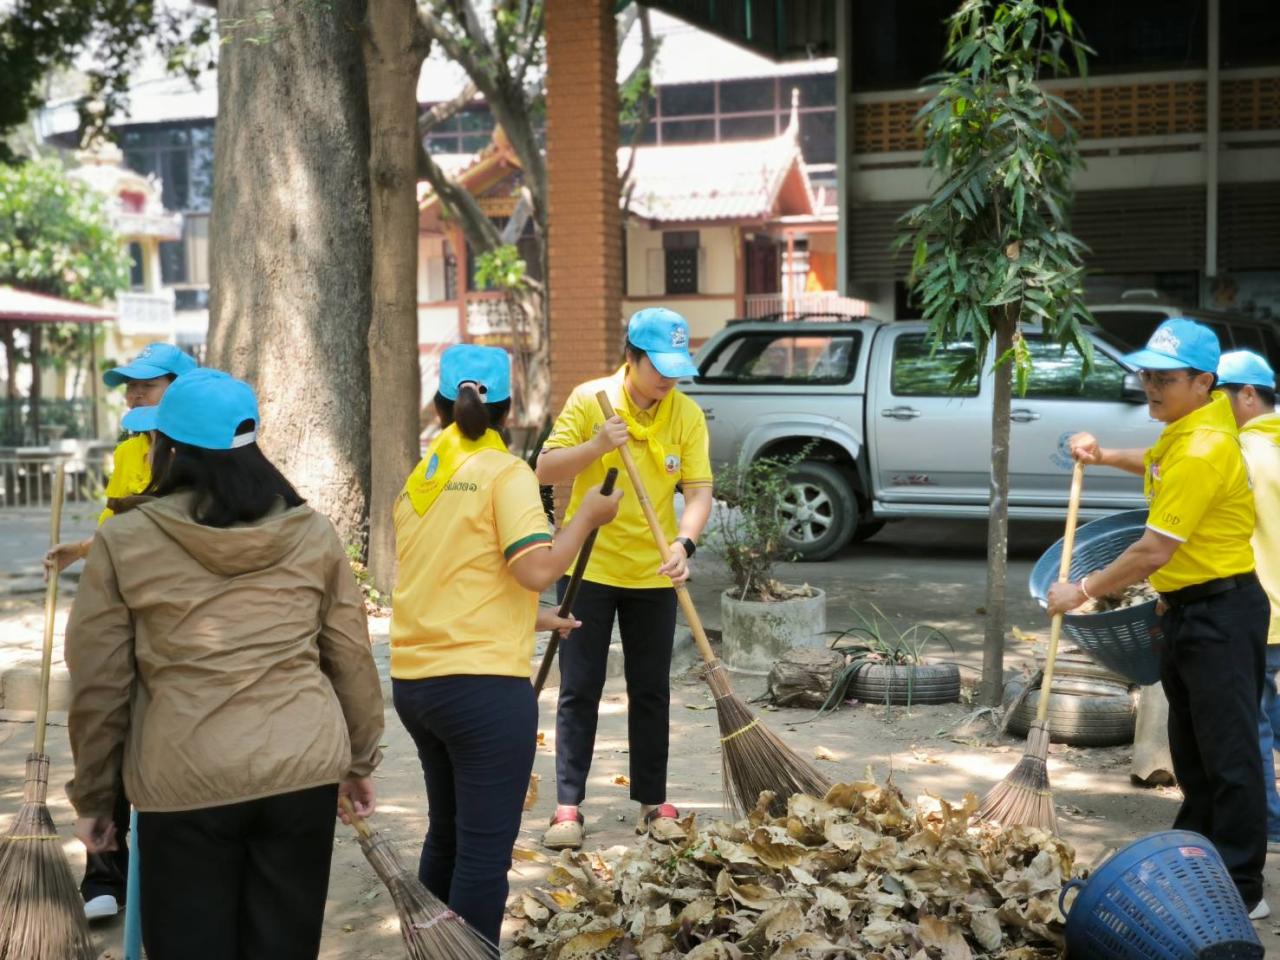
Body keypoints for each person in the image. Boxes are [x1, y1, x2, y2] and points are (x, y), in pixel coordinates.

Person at [65, 369, 384, 960]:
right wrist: (358, 759)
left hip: (183, 782)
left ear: (168, 446)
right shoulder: (313, 533)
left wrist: (94, 799)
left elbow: (98, 685)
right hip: (301, 772)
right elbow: (350, 656)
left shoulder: (125, 541)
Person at [390, 344, 622, 946]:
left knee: (447, 833)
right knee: (483, 854)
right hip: (481, 693)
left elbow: (455, 577)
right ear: (509, 409)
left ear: (439, 405)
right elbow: (536, 568)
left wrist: (533, 620)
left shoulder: (424, 476)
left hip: (417, 684)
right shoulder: (506, 473)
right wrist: (587, 519)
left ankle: (432, 950)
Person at [1047, 319, 1270, 918]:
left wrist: (1083, 590)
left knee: (1230, 755)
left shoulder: (1202, 446)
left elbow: (1153, 551)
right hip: (1191, 612)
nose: (1150, 386)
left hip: (1222, 612)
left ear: (1203, 382)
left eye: (1165, 378)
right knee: (1192, 751)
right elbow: (1155, 463)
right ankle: (1198, 859)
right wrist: (1103, 456)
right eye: (1146, 373)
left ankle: (1244, 888)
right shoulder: (1191, 427)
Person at [535, 307, 713, 851]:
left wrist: (685, 544)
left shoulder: (684, 414)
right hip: (589, 566)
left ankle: (652, 801)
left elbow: (699, 491)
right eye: (658, 366)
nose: (667, 379)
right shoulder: (593, 399)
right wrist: (596, 447)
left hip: (655, 573)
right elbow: (544, 469)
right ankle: (568, 806)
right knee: (581, 688)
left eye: (676, 368)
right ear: (631, 357)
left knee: (651, 689)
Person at [42, 340, 197, 921]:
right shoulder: (132, 449)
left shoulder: (204, 452)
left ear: (179, 390)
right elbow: (118, 525)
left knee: (163, 739)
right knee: (103, 728)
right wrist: (82, 550)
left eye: (147, 384)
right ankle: (104, 873)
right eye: (130, 385)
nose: (133, 393)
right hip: (119, 607)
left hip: (175, 618)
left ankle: (165, 872)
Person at [1218, 350, 1280, 853]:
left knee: (1250, 719)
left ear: (1247, 394)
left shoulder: (1240, 453)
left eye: (1220, 394)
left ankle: (1270, 821)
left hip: (1259, 606)